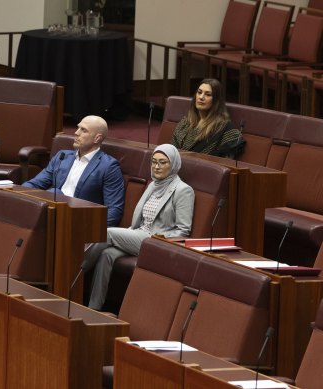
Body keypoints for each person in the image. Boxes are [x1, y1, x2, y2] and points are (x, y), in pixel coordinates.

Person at [82, 144, 194, 310]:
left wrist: (157, 240)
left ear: (174, 165)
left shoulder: (183, 190)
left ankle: (75, 272)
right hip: (138, 234)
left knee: (107, 233)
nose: (157, 167)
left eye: (163, 163)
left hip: (154, 241)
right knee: (107, 254)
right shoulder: (153, 185)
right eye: (153, 162)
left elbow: (183, 231)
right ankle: (93, 307)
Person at [22, 115, 125, 226]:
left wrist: (92, 231)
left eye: (83, 130)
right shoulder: (62, 156)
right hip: (51, 213)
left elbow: (114, 210)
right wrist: (18, 195)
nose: (76, 132)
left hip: (78, 221)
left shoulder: (108, 166)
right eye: (78, 128)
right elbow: (35, 183)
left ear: (97, 138)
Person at [171, 78, 245, 159]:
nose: (201, 97)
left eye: (208, 94)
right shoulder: (185, 121)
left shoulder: (223, 127)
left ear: (216, 100)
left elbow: (227, 161)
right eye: (199, 92)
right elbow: (172, 150)